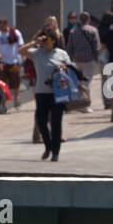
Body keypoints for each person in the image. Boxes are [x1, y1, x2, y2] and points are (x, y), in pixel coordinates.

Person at [19, 28, 73, 162]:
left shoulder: (61, 54)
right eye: (43, 39)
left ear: (54, 41)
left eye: (47, 39)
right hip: (41, 92)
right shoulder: (37, 53)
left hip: (58, 93)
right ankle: (48, 145)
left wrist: (64, 68)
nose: (44, 42)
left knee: (56, 123)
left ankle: (55, 152)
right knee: (41, 121)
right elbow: (20, 51)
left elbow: (70, 68)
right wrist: (34, 42)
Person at [65, 12, 100, 111]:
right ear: (89, 19)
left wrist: (70, 60)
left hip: (77, 60)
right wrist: (97, 59)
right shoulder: (93, 30)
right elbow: (96, 47)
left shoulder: (73, 31)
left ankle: (79, 103)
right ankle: (85, 105)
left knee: (79, 82)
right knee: (87, 83)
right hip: (89, 59)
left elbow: (69, 47)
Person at [0, 17, 24, 111]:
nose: (0, 28)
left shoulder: (15, 33)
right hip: (2, 62)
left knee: (15, 82)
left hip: (14, 61)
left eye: (2, 26)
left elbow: (21, 46)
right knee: (2, 84)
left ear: (6, 24)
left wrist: (22, 57)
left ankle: (16, 98)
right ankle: (3, 105)